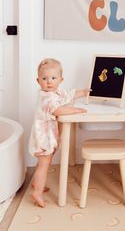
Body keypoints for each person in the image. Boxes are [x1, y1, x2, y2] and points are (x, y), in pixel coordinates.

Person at [29, 58, 89, 207]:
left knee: (43, 161)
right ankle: (37, 192)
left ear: (60, 80)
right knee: (44, 163)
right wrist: (75, 110)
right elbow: (57, 110)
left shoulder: (57, 92)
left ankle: (37, 184)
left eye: (53, 78)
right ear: (38, 81)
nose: (49, 82)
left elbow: (67, 96)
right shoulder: (46, 96)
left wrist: (82, 92)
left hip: (48, 134)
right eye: (44, 78)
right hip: (43, 136)